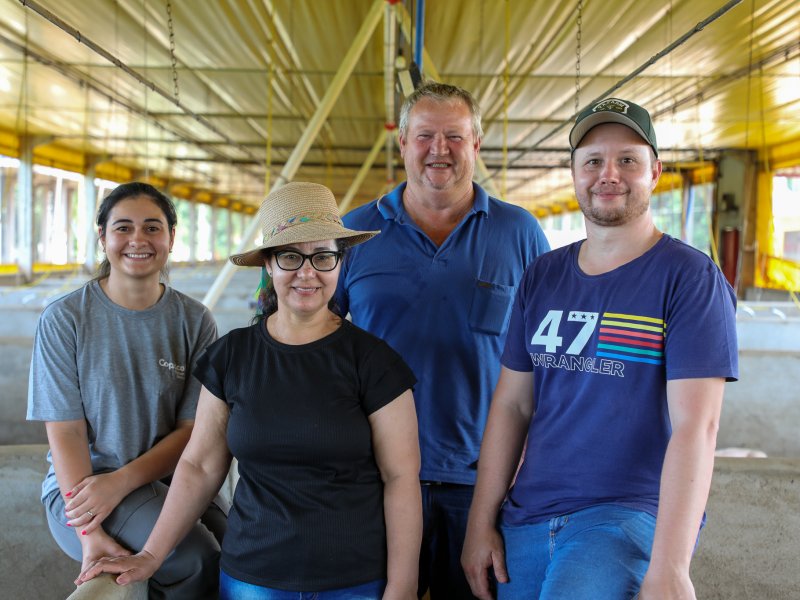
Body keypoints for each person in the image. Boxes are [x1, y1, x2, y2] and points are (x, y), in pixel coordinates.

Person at [78, 181, 423, 600]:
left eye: (324, 256)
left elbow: (400, 477)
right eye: (291, 255)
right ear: (269, 266)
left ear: (340, 264)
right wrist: (151, 555)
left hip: (355, 580)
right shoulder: (231, 357)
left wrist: (402, 586)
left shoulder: (373, 362)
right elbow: (200, 467)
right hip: (252, 579)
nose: (307, 271)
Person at [461, 98, 739, 600]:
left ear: (655, 171)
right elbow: (512, 404)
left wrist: (671, 566)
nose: (608, 174)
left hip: (623, 516)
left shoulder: (689, 278)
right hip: (526, 517)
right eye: (592, 160)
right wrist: (480, 521)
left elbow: (697, 427)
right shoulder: (543, 274)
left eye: (627, 160)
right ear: (573, 173)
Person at [336, 81, 550, 599]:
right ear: (403, 143)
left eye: (454, 136)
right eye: (425, 135)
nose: (439, 149)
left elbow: (548, 357)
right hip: (372, 471)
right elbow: (316, 343)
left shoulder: (519, 233)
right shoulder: (353, 233)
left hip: (480, 478)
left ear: (476, 144)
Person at [26, 181, 226, 598]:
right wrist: (88, 533)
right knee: (197, 558)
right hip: (86, 486)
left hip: (164, 479)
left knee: (240, 546)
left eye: (153, 228)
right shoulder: (66, 319)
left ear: (171, 237)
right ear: (102, 238)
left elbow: (193, 430)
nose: (138, 240)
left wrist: (124, 481)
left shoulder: (195, 321)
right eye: (123, 228)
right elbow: (66, 432)